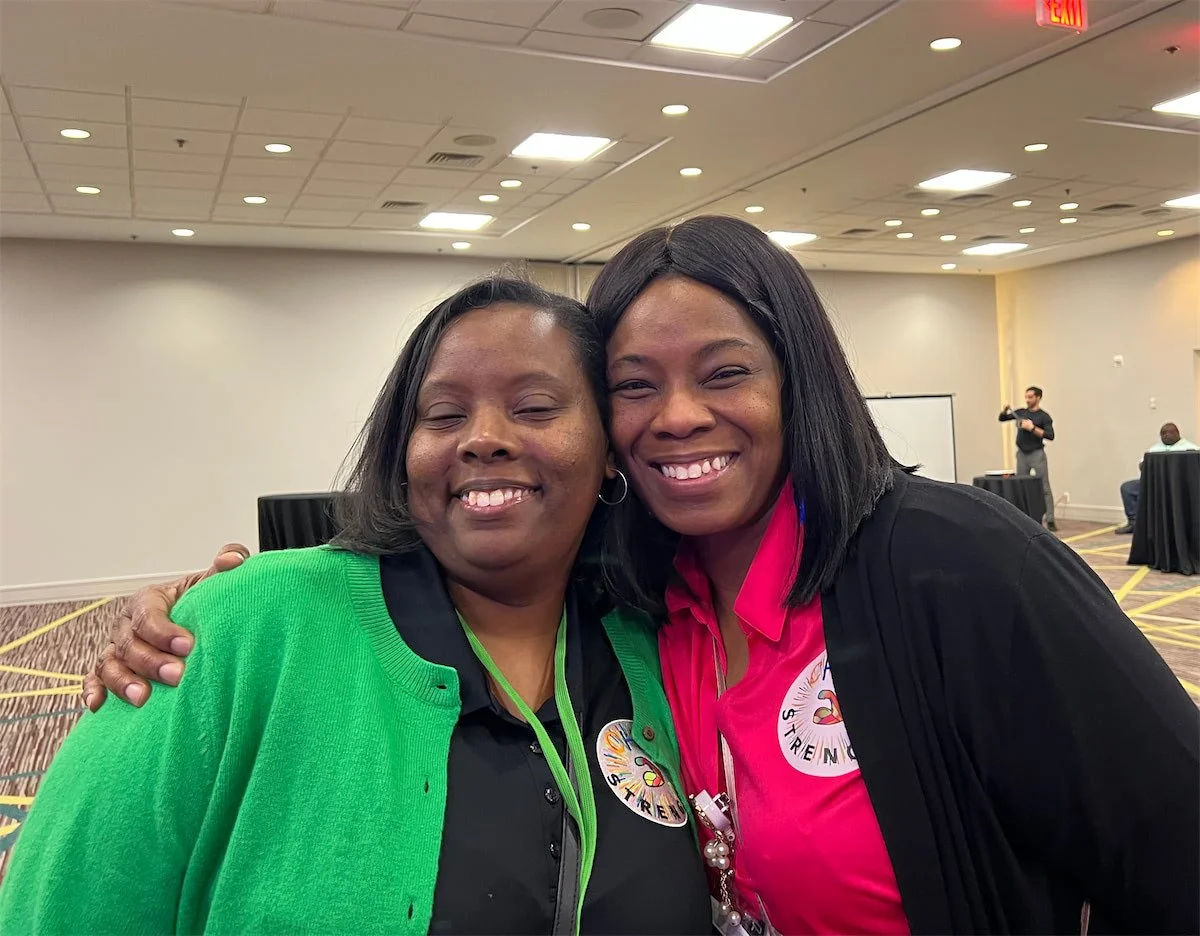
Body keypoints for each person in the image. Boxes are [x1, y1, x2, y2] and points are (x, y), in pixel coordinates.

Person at [87, 217, 1197, 935]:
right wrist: (221, 611)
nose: (678, 417)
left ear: (799, 382)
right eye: (633, 385)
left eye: (726, 373)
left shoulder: (956, 567)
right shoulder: (642, 609)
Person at [0, 278, 712, 935]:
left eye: (535, 408)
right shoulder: (243, 627)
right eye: (443, 415)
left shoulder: (656, 646)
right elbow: (60, 906)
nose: (483, 438)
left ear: (609, 446)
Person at [1116, 421, 1200, 533]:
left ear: (1178, 433)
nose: (1167, 435)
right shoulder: (1154, 450)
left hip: (1180, 486)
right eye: (1163, 433)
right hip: (1156, 485)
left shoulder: (1191, 449)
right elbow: (1142, 466)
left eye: (1170, 432)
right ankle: (1134, 523)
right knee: (1128, 488)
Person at [1000, 387, 1057, 531]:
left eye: (1030, 397)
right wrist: (1005, 410)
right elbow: (1002, 418)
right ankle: (1022, 519)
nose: (1027, 400)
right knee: (1021, 485)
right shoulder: (1021, 412)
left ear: (1038, 398)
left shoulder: (1044, 416)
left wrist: (1032, 428)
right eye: (1026, 397)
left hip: (1037, 454)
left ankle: (1050, 519)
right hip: (1022, 454)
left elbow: (1050, 435)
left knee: (1044, 487)